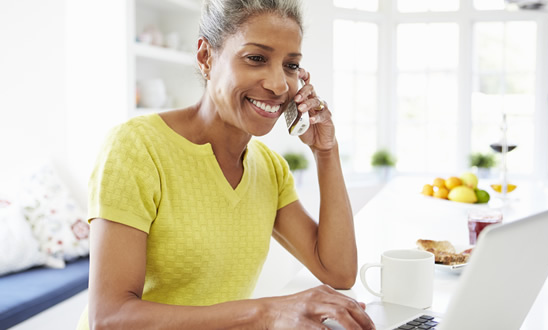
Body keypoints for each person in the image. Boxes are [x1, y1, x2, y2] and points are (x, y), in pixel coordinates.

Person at [77, 0, 374, 329]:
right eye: (256, 58)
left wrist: (326, 151)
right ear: (206, 57)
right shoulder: (136, 148)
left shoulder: (269, 169)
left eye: (291, 66)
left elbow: (339, 271)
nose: (278, 85)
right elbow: (108, 318)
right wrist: (266, 312)